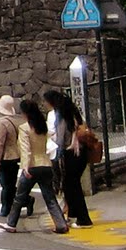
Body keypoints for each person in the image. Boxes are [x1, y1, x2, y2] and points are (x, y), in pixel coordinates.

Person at [0, 98, 70, 234]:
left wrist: (25, 167)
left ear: (25, 113)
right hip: (46, 164)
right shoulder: (42, 126)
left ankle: (11, 223)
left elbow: (26, 150)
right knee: (50, 198)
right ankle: (61, 224)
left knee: (19, 197)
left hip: (32, 166)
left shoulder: (24, 128)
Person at [43, 89, 93, 228]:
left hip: (72, 154)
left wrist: (52, 148)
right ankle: (73, 216)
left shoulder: (61, 116)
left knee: (73, 187)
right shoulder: (73, 113)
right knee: (71, 186)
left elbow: (60, 138)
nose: (45, 104)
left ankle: (84, 219)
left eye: (46, 101)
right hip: (80, 153)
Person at [0, 94, 28, 219]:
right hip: (16, 156)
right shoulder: (17, 120)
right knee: (11, 184)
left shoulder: (2, 122)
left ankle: (6, 207)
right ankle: (26, 201)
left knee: (5, 185)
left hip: (6, 157)